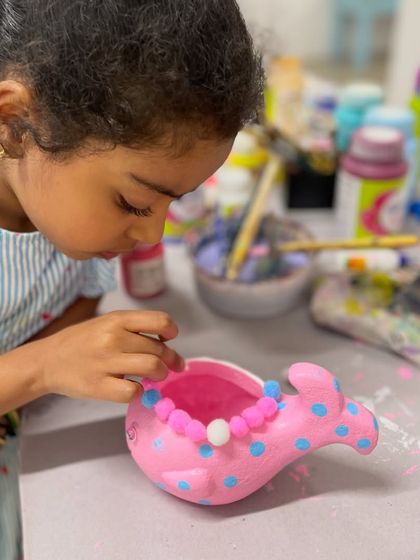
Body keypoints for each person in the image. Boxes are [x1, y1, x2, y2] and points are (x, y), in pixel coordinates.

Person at [0, 0, 264, 557]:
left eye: (176, 203)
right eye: (134, 201)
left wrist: (77, 352)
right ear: (16, 125)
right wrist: (42, 367)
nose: (152, 238)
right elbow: (43, 360)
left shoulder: (78, 221)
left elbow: (76, 300)